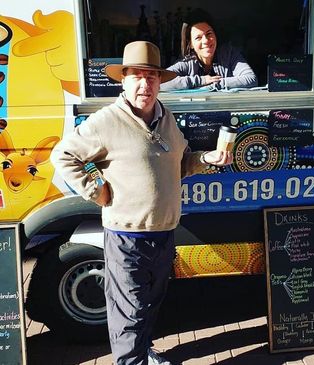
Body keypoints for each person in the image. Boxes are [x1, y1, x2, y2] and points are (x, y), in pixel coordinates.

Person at [50, 40, 233, 365]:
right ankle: (130, 361)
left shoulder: (166, 117)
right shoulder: (107, 121)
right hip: (127, 237)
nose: (144, 84)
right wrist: (96, 190)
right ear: (124, 80)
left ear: (159, 82)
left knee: (149, 303)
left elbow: (179, 163)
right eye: (136, 76)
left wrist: (207, 158)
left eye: (151, 77)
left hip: (163, 233)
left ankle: (142, 352)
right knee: (129, 309)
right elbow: (63, 156)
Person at [160, 9, 257, 92]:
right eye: (198, 37)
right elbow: (161, 82)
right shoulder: (186, 63)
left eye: (209, 34)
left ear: (215, 35)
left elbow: (250, 79)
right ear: (191, 45)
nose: (206, 40)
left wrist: (212, 85)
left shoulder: (229, 54)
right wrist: (201, 81)